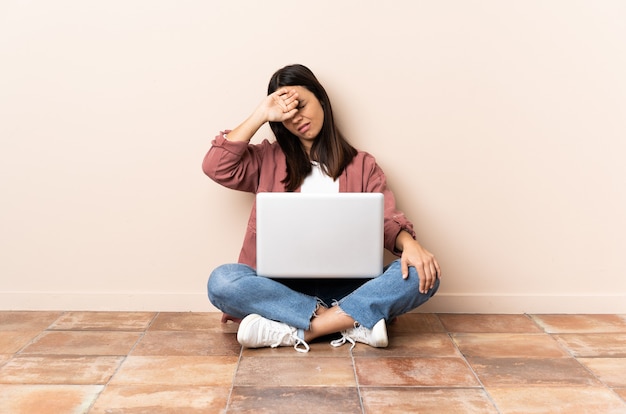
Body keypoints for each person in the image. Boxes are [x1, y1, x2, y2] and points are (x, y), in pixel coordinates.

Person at [202, 64, 441, 353]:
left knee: (423, 274)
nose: (297, 119)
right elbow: (216, 166)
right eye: (287, 116)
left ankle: (301, 329)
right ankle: (351, 322)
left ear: (321, 98)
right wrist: (261, 114)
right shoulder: (266, 158)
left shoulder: (362, 165)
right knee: (222, 281)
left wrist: (410, 245)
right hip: (280, 288)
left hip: (349, 287)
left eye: (301, 105)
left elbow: (386, 221)